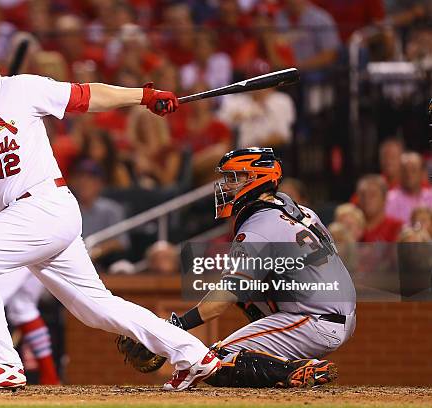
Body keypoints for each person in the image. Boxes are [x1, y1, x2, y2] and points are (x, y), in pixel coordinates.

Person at [0, 36, 220, 392]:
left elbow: (86, 96)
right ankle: (194, 355)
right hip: (27, 216)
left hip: (43, 202)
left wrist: (144, 96)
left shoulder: (18, 90)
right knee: (96, 309)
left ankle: (3, 363)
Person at [169, 147, 356, 388]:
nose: (226, 186)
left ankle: (292, 369)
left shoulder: (258, 226)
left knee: (214, 361)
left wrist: (177, 326)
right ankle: (280, 360)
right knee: (246, 290)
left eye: (235, 177)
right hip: (338, 313)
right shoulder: (300, 211)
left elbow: (222, 299)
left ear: (258, 178)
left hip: (315, 320)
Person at [385, 152, 432, 224]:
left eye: (413, 170)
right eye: (405, 170)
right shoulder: (389, 199)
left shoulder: (430, 196)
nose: (409, 175)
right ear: (399, 172)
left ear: (422, 173)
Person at [355, 175, 403, 242]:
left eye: (372, 195)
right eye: (362, 195)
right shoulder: (350, 227)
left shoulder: (397, 228)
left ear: (384, 198)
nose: (366, 199)